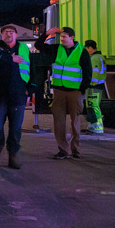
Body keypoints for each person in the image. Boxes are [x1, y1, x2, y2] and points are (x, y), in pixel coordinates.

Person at [35, 25, 92, 159]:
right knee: (58, 121)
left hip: (75, 92)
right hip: (59, 91)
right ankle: (63, 149)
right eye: (61, 37)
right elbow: (38, 45)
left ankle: (75, 147)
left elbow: (87, 72)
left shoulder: (81, 52)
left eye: (64, 37)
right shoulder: (57, 49)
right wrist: (48, 33)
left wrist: (81, 90)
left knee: (75, 121)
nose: (62, 40)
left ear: (72, 38)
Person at [0, 24, 30, 169]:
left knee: (16, 128)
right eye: (6, 32)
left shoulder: (24, 49)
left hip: (18, 94)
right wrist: (10, 59)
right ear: (1, 35)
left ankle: (13, 155)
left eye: (12, 32)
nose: (9, 34)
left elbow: (32, 69)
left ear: (16, 35)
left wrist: (31, 89)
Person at [82, 40, 106, 134]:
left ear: (90, 48)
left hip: (94, 86)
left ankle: (97, 127)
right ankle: (92, 126)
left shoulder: (95, 58)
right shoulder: (98, 57)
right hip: (96, 86)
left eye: (86, 48)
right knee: (92, 106)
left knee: (93, 106)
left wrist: (90, 84)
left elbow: (94, 74)